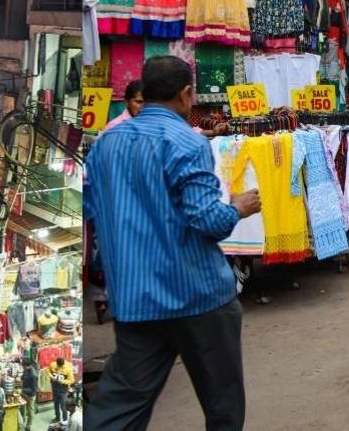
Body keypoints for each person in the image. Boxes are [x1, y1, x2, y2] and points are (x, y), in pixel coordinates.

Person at [85, 56, 260, 430]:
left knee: (121, 405)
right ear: (185, 95)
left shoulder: (105, 144)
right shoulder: (186, 142)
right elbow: (208, 220)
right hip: (197, 297)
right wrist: (238, 208)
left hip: (135, 298)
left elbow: (90, 207)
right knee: (222, 405)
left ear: (144, 93)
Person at [49, 357, 74, 423]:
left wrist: (62, 381)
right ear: (56, 363)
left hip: (63, 391)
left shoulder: (68, 368)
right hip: (54, 389)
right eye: (58, 366)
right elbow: (48, 372)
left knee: (63, 406)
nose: (59, 368)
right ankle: (57, 418)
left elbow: (71, 380)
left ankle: (65, 420)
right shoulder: (53, 365)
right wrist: (51, 377)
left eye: (61, 366)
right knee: (56, 405)